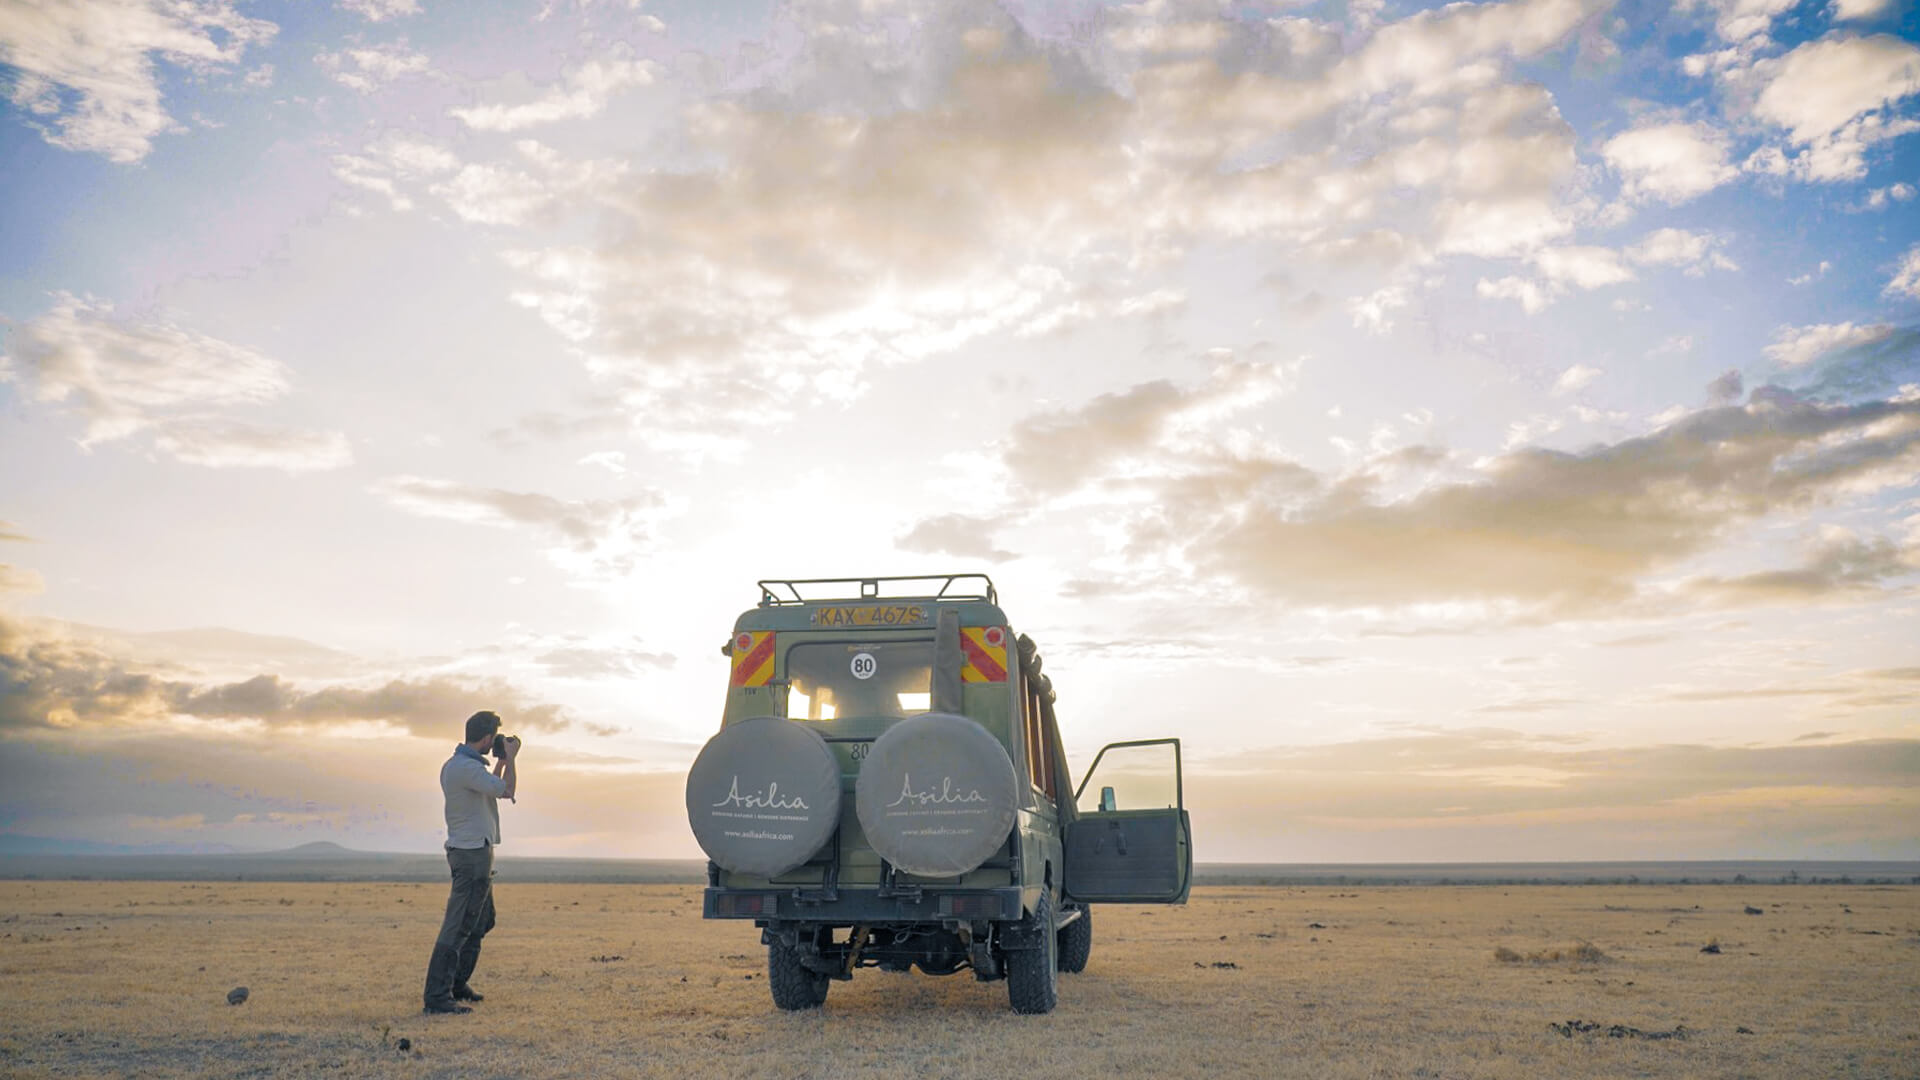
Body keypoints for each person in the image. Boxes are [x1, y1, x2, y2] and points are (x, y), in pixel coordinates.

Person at [423, 710, 519, 1015]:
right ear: (488, 738)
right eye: (495, 740)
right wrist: (512, 758)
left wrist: (502, 760)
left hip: (475, 851)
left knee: (481, 920)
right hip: (471, 854)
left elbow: (493, 787)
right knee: (459, 925)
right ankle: (437, 996)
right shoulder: (466, 768)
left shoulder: (461, 766)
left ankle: (456, 985)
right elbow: (507, 790)